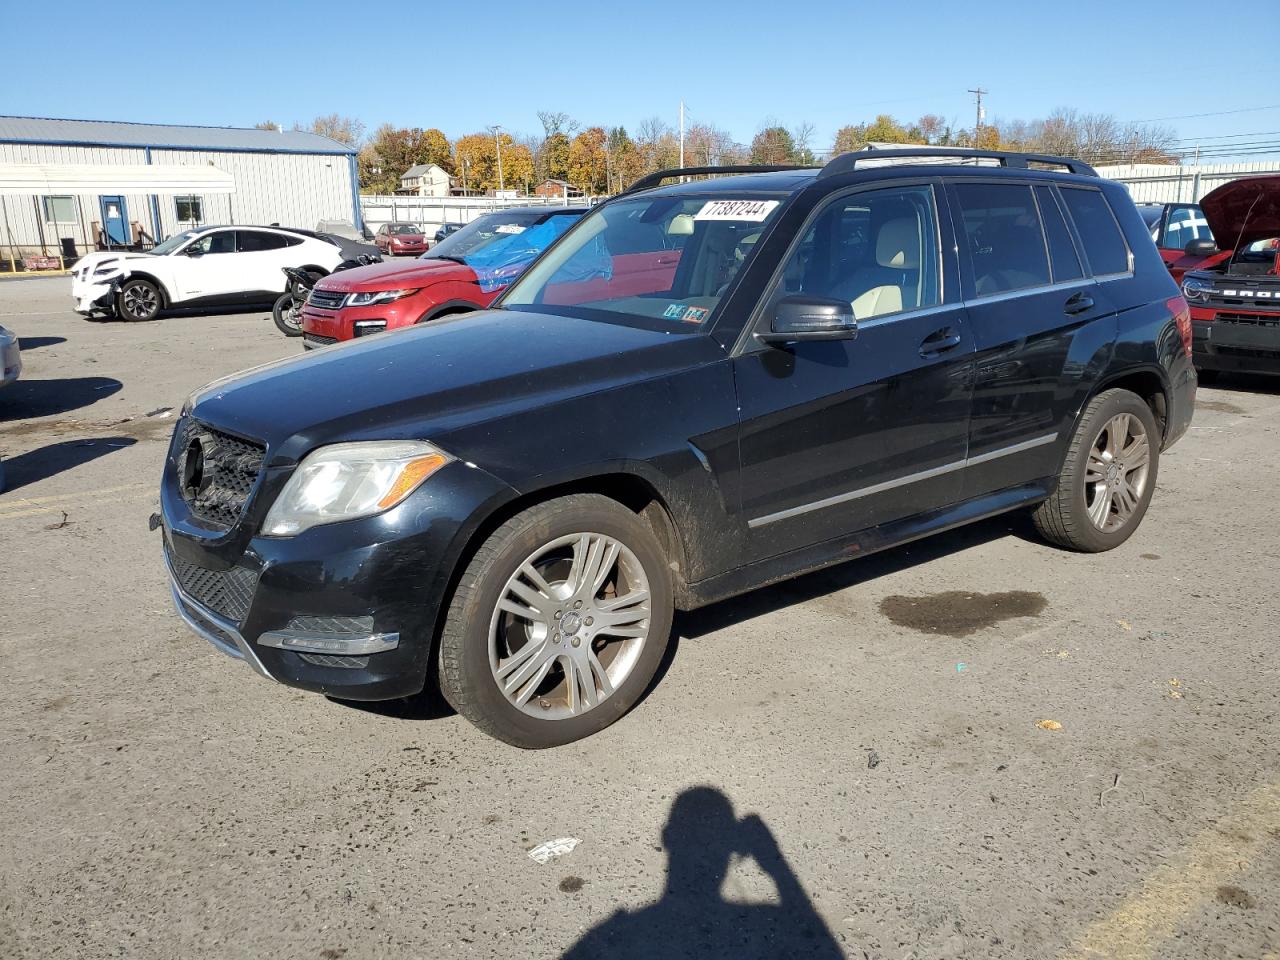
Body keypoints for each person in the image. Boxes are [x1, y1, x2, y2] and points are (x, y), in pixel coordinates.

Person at [563, 787, 843, 960]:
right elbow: (821, 939)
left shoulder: (610, 937)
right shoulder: (768, 920)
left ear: (667, 837)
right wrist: (778, 867)